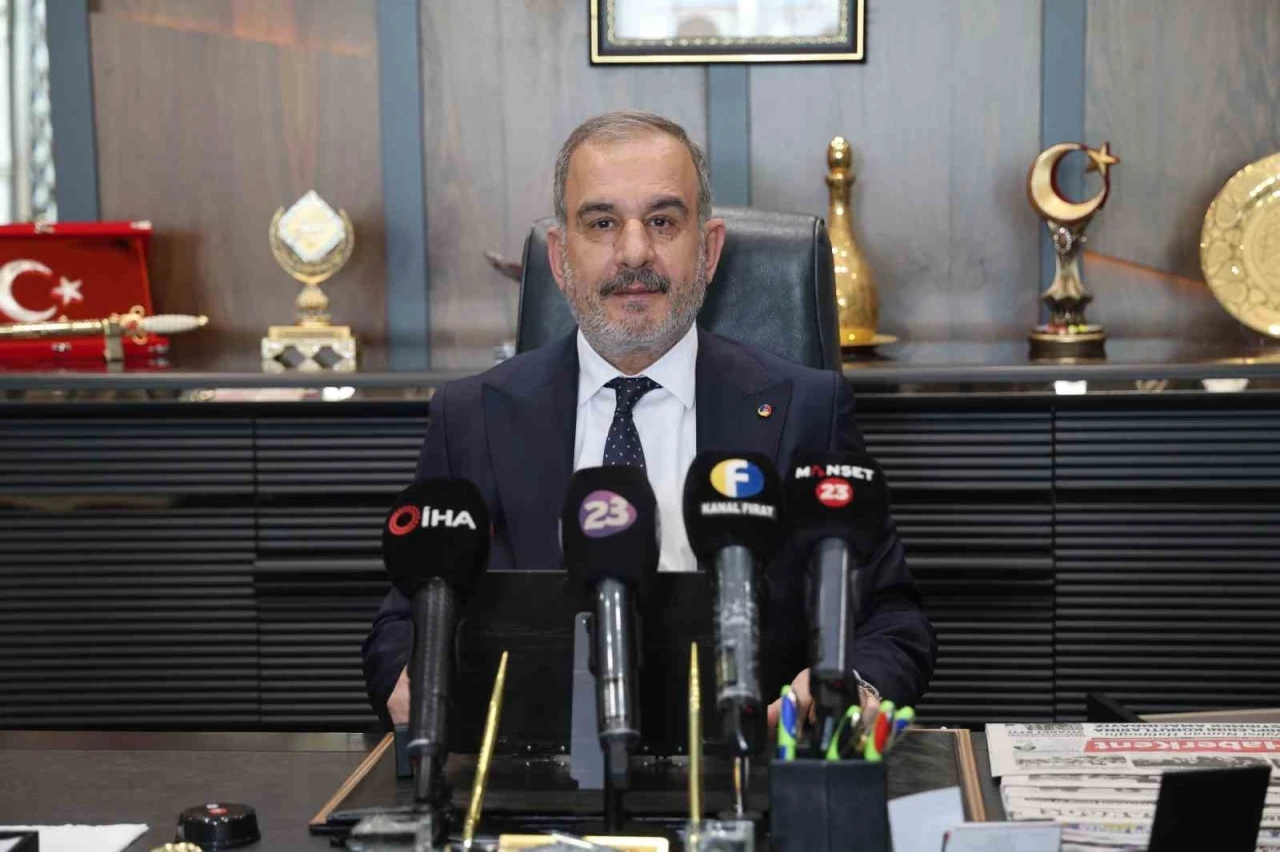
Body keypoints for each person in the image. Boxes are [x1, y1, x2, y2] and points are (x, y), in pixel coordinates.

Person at [362, 110, 935, 732]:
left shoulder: (807, 409)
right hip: (530, 765)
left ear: (708, 251)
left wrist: (846, 689)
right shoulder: (471, 416)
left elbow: (891, 621)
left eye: (662, 221)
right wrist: (410, 679)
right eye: (602, 223)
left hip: (752, 760)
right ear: (559, 258)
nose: (634, 252)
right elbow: (404, 620)